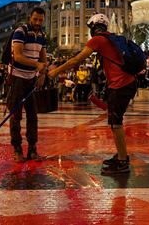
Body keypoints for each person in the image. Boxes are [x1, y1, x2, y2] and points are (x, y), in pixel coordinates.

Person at [48, 13, 137, 175]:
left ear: (93, 28)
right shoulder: (111, 38)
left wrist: (56, 71)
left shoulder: (98, 40)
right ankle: (121, 155)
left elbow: (76, 60)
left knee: (116, 123)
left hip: (121, 85)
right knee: (114, 121)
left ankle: (123, 162)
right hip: (125, 83)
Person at [7, 7, 48, 162]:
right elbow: (17, 56)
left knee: (33, 115)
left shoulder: (43, 36)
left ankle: (32, 149)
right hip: (17, 77)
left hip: (32, 78)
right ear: (30, 17)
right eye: (35, 19)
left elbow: (43, 58)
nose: (37, 22)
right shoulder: (21, 31)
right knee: (15, 115)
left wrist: (42, 73)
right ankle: (17, 149)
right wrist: (36, 65)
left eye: (40, 20)